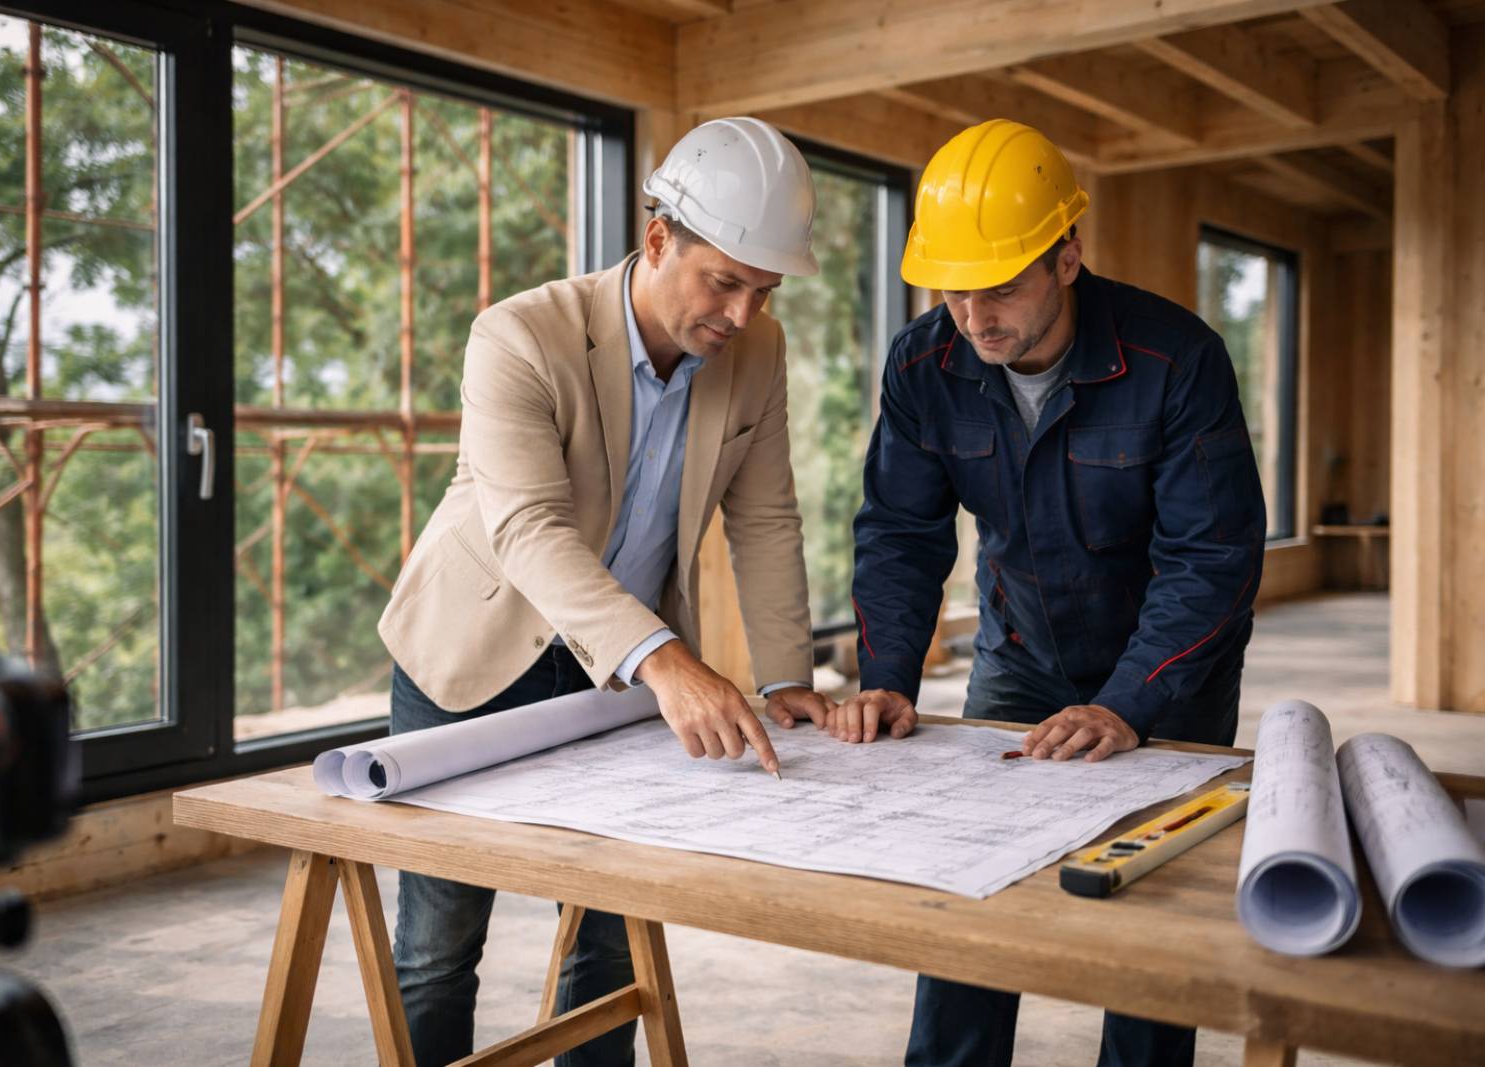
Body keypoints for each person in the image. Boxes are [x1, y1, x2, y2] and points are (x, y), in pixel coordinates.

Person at [375, 116, 836, 1067]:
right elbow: (529, 532)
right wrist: (669, 662)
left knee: (607, 934)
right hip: (474, 654)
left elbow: (765, 519)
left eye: (764, 289)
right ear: (658, 237)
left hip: (613, 680)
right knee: (439, 944)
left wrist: (787, 673)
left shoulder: (758, 352)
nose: (743, 315)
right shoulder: (519, 335)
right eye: (724, 282)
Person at [837, 119, 1266, 1067]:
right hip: (1020, 658)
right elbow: (901, 533)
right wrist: (888, 675)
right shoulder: (924, 363)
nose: (974, 315)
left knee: (1147, 923)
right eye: (953, 288)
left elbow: (1213, 559)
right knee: (973, 899)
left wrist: (1126, 707)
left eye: (1000, 285)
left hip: (1165, 675)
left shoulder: (1176, 360)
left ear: (1067, 255)